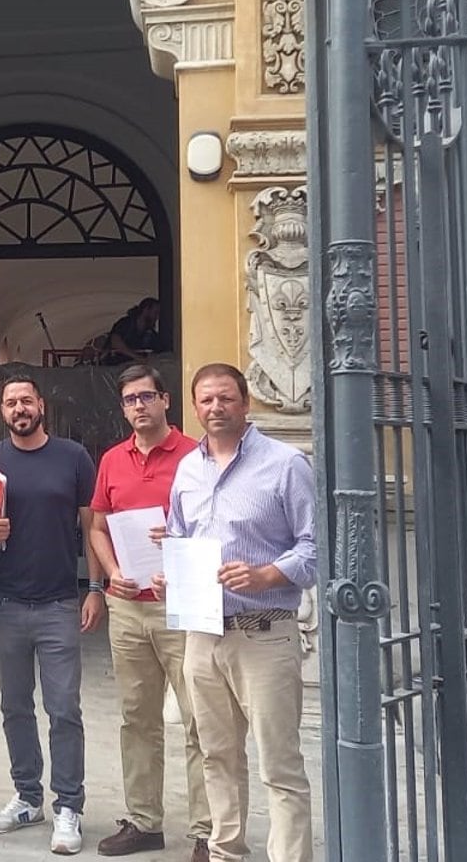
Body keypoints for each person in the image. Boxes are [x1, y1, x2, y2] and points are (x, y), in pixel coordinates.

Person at [153, 363, 316, 862]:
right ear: (195, 407)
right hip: (203, 637)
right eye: (205, 400)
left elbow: (317, 547)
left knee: (279, 764)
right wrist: (170, 575)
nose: (215, 408)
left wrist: (267, 575)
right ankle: (226, 851)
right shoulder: (188, 468)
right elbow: (179, 535)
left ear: (245, 402)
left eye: (225, 398)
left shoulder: (287, 464)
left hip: (263, 634)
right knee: (217, 755)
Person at [0, 374, 105, 856]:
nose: (19, 408)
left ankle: (68, 805)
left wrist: (96, 588)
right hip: (6, 602)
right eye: (10, 402)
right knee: (14, 707)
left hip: (57, 604)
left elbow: (93, 526)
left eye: (26, 400)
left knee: (64, 709)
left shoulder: (73, 458)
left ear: (41, 406)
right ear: (3, 411)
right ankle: (28, 796)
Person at [85, 365, 212, 860]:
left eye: (146, 397)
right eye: (129, 400)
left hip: (182, 606)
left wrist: (181, 546)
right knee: (136, 718)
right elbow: (98, 525)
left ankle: (207, 830)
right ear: (123, 409)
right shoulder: (112, 460)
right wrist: (112, 571)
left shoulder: (195, 457)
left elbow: (219, 522)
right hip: (129, 608)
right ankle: (144, 821)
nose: (138, 406)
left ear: (165, 401)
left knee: (200, 719)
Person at [100, 298, 167, 366]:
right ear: (146, 310)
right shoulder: (126, 323)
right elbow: (115, 341)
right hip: (113, 365)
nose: (157, 317)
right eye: (155, 313)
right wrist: (136, 357)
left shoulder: (149, 333)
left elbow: (160, 350)